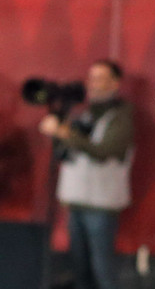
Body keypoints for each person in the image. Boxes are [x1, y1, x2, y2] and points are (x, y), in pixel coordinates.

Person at [39, 60, 134, 289]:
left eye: (101, 78)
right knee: (79, 269)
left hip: (101, 205)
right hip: (75, 201)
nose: (94, 84)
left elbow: (105, 151)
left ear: (115, 83)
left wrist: (63, 132)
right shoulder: (82, 113)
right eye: (91, 78)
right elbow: (67, 152)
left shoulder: (121, 116)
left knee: (103, 270)